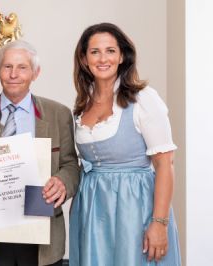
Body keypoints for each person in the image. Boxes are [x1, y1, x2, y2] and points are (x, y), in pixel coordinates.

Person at [69, 22, 181, 265]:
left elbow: (165, 164)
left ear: (122, 56)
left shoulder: (143, 99)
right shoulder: (83, 102)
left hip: (134, 206)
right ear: (84, 58)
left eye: (110, 50)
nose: (102, 58)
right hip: (91, 209)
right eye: (94, 51)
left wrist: (159, 224)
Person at [0, 40, 80, 266]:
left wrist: (63, 182)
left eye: (22, 67)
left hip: (41, 234)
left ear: (36, 73)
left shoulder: (59, 114)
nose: (14, 74)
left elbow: (71, 165)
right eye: (7, 67)